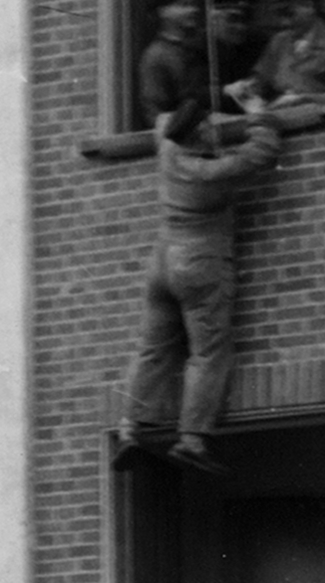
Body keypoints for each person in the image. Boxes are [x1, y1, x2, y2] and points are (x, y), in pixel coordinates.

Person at [118, 92, 285, 476]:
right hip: (200, 263)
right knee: (208, 351)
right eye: (208, 127)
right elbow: (261, 154)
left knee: (152, 347)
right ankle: (192, 439)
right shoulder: (207, 172)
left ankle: (131, 427)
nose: (213, 130)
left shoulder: (167, 148)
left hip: (162, 262)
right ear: (196, 135)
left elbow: (164, 120)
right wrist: (259, 115)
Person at [247, 0, 325, 104]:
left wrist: (307, 99)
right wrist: (246, 87)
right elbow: (260, 82)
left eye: (289, 14)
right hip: (283, 116)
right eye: (279, 16)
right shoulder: (279, 41)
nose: (283, 23)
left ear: (309, 7)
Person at [137, 0, 211, 128]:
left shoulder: (200, 48)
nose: (193, 10)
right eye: (184, 5)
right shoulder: (156, 56)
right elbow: (155, 112)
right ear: (163, 12)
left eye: (194, 5)